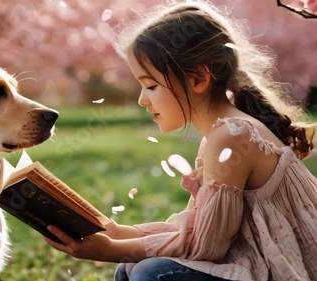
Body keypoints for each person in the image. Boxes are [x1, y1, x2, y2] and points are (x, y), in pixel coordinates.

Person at [43, 1, 317, 280]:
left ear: (198, 78)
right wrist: (116, 233)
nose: (142, 99)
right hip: (255, 260)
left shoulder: (232, 136)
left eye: (151, 85)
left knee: (151, 272)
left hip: (283, 272)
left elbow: (207, 245)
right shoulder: (221, 133)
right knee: (129, 268)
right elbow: (195, 227)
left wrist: (112, 249)